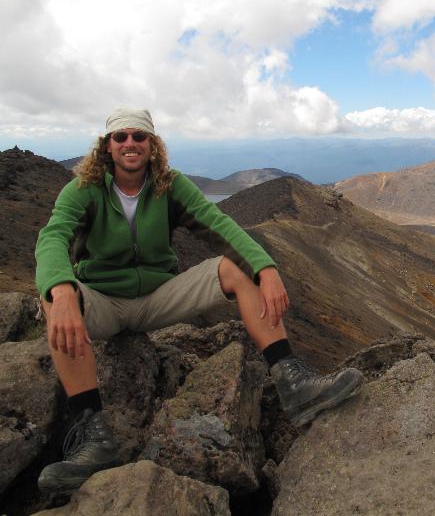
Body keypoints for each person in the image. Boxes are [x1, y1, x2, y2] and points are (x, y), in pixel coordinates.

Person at [34, 108, 363, 495]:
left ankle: (293, 381)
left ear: (152, 144)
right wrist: (61, 290)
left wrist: (266, 268)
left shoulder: (169, 186)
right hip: (103, 300)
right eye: (119, 137)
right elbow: (52, 237)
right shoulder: (84, 189)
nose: (129, 144)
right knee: (55, 298)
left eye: (138, 137)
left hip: (158, 298)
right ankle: (93, 434)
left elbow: (219, 224)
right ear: (106, 146)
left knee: (237, 268)